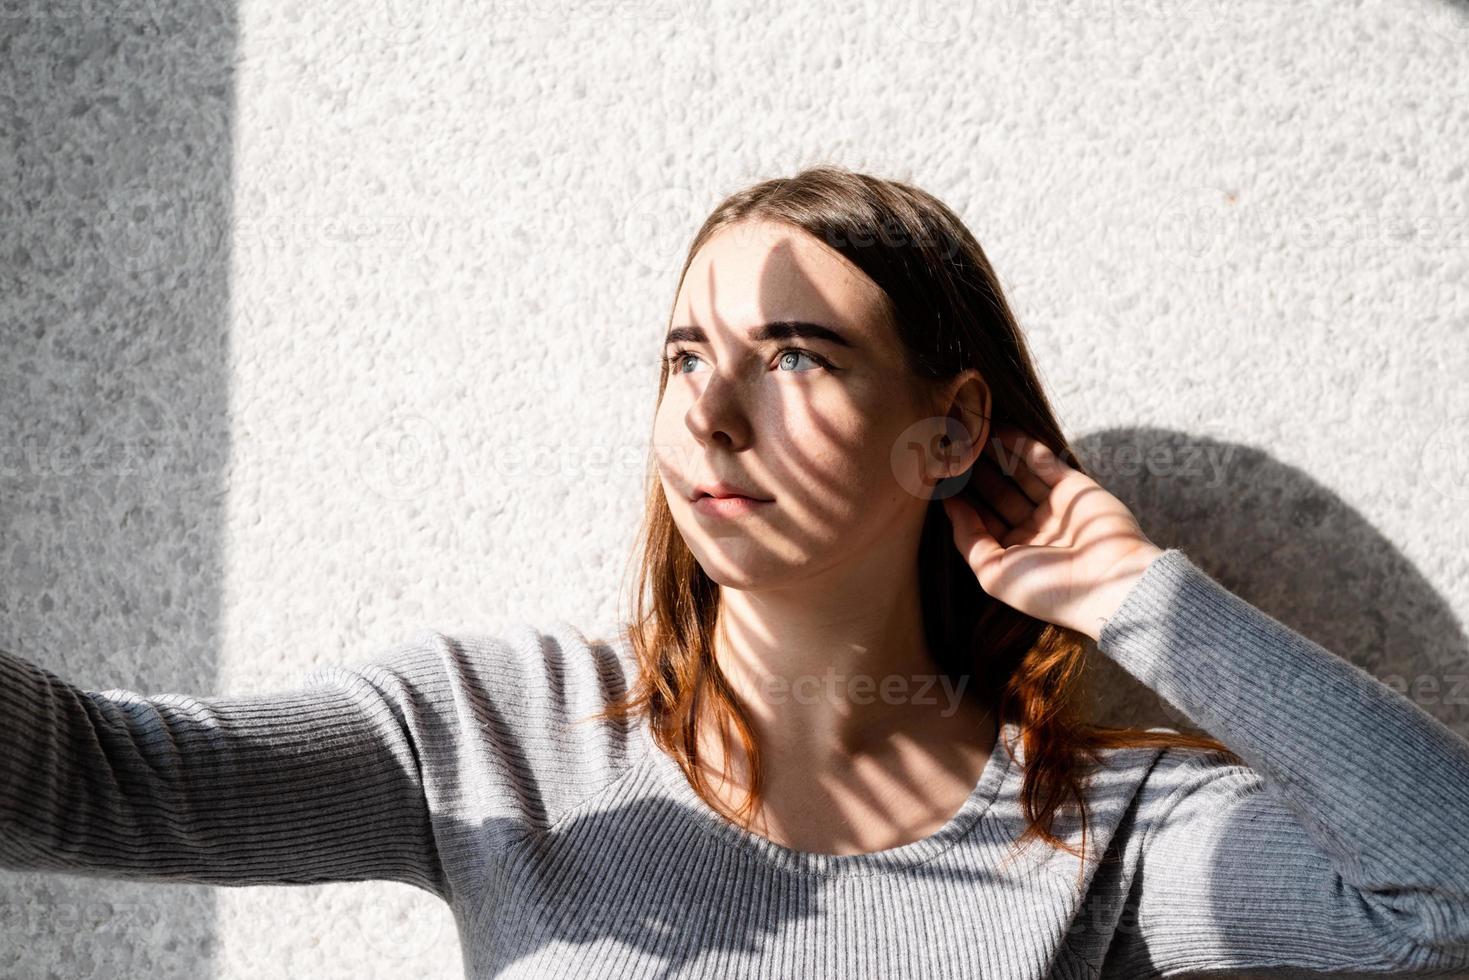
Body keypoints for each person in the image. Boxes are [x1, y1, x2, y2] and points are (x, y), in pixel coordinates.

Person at [4, 165, 1468, 979]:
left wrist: (1135, 596)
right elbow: (86, 778)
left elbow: (1443, 895)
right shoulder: (491, 730)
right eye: (683, 358)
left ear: (948, 429)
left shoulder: (1105, 830)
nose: (708, 414)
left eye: (793, 358)